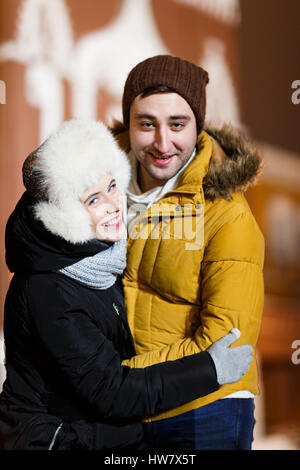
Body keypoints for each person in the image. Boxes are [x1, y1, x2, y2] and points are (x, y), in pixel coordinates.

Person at [0, 119, 253, 450]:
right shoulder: (49, 289)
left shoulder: (97, 259)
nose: (113, 204)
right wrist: (209, 369)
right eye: (93, 200)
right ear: (62, 215)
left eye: (112, 186)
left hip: (93, 434)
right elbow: (111, 390)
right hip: (53, 440)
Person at [111, 55, 265, 450]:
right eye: (147, 124)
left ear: (197, 128)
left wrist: (112, 379)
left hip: (204, 410)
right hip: (129, 408)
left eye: (177, 125)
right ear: (129, 125)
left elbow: (226, 343)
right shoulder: (102, 193)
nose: (163, 144)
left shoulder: (228, 216)